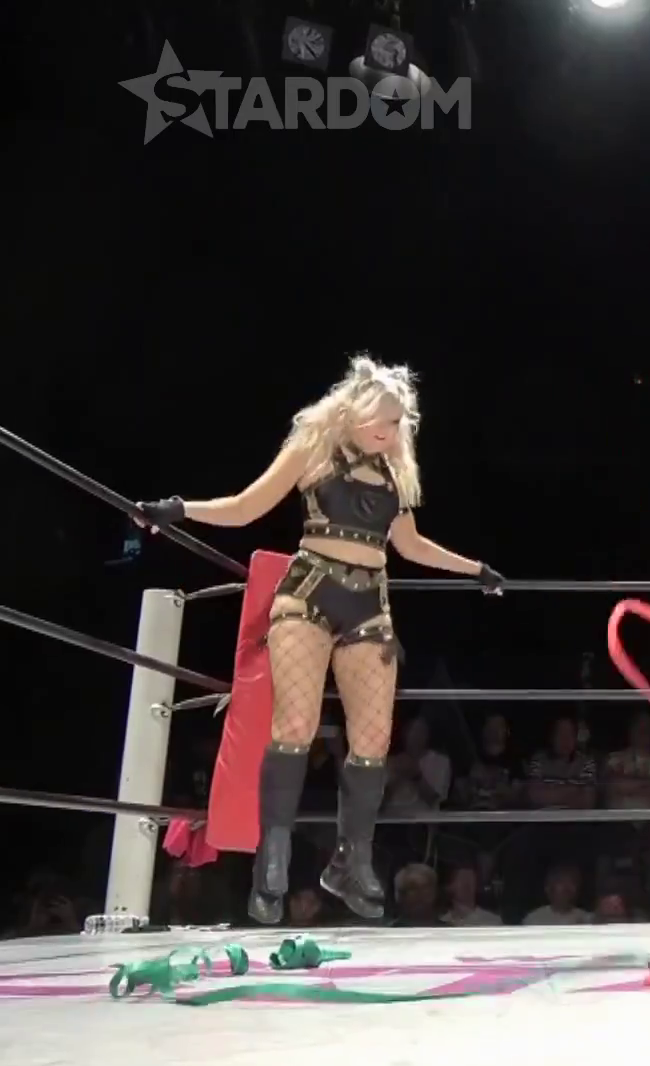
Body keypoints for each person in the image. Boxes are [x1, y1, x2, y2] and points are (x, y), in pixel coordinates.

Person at [134, 355, 504, 923]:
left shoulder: (395, 471)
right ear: (355, 411)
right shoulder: (314, 449)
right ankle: (272, 861)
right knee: (296, 726)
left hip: (369, 603)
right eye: (383, 420)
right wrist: (179, 510)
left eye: (398, 423)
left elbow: (410, 545)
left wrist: (475, 569)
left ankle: (352, 860)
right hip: (309, 591)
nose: (390, 431)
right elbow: (246, 506)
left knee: (374, 739)